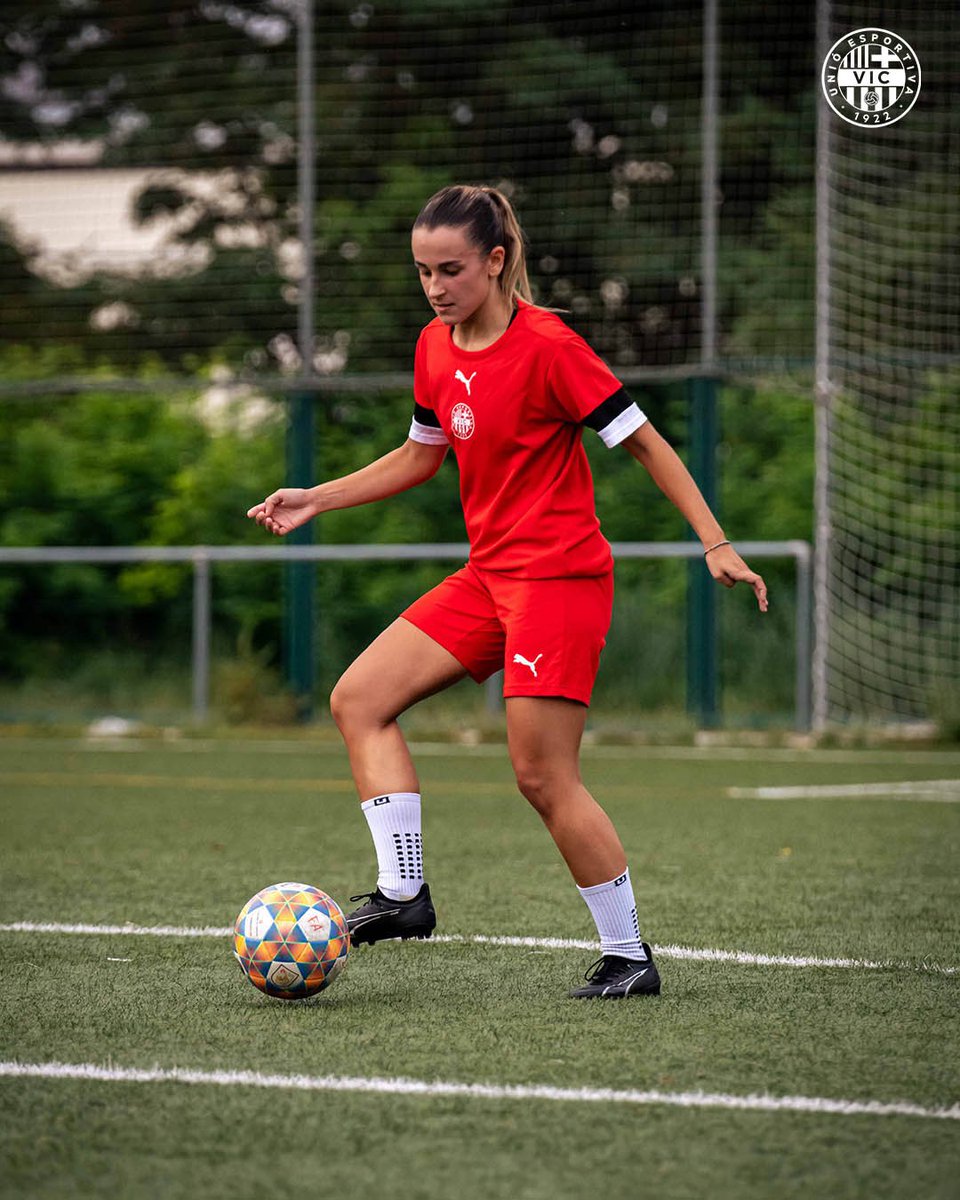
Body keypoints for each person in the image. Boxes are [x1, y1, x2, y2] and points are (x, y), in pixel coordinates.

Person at [247, 184, 768, 999]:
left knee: (541, 776)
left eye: (450, 269)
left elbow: (647, 444)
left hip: (558, 581)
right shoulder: (433, 347)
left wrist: (716, 541)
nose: (435, 286)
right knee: (360, 699)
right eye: (422, 271)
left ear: (495, 260)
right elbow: (421, 456)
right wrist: (318, 496)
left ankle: (629, 957)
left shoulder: (550, 346)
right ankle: (403, 893)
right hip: (489, 577)